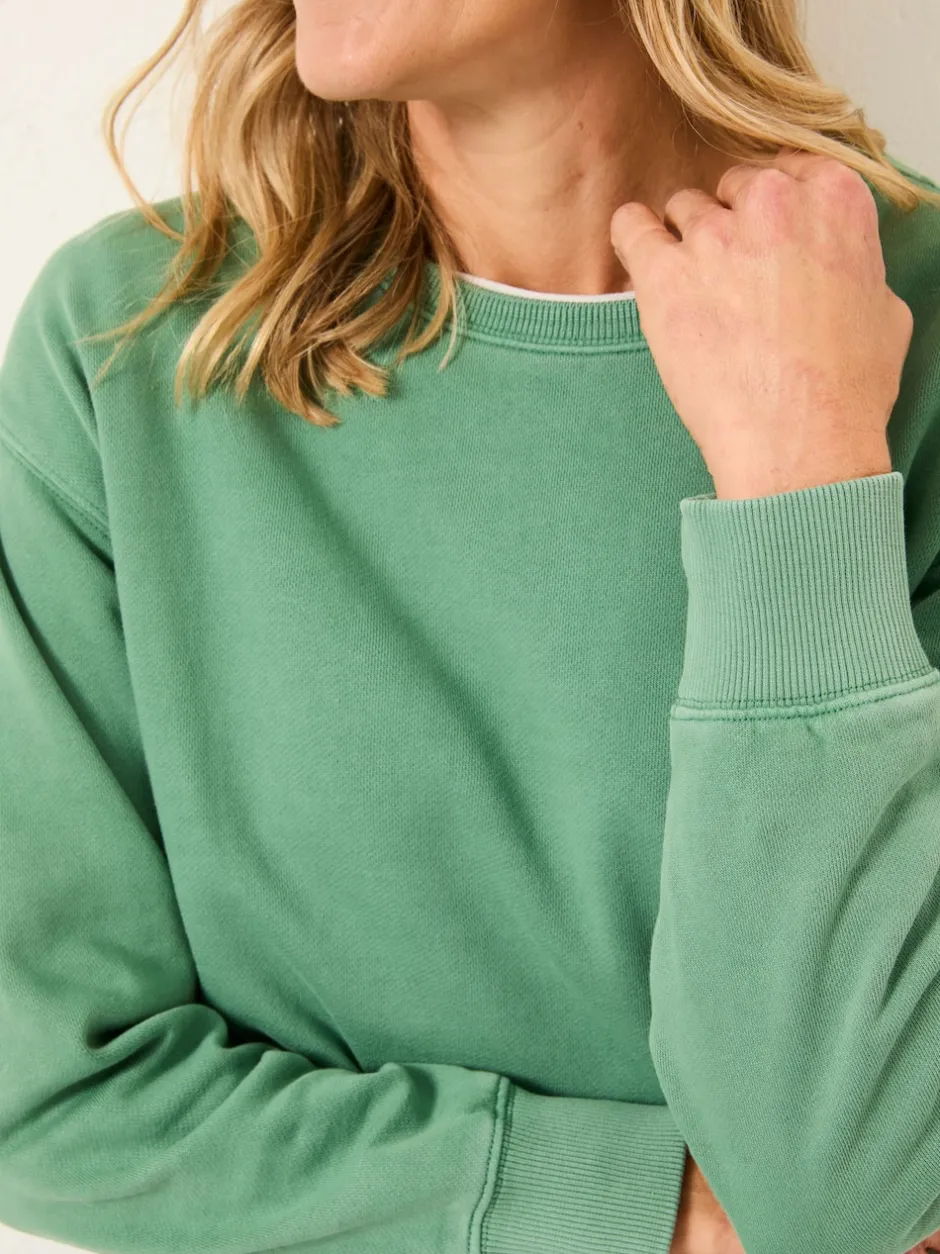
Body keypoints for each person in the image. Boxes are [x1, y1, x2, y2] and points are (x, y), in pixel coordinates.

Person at [1, 0, 940, 1251]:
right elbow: (47, 1092)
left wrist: (806, 464)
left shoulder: (910, 330)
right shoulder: (133, 346)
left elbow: (846, 1182)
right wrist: (652, 1211)